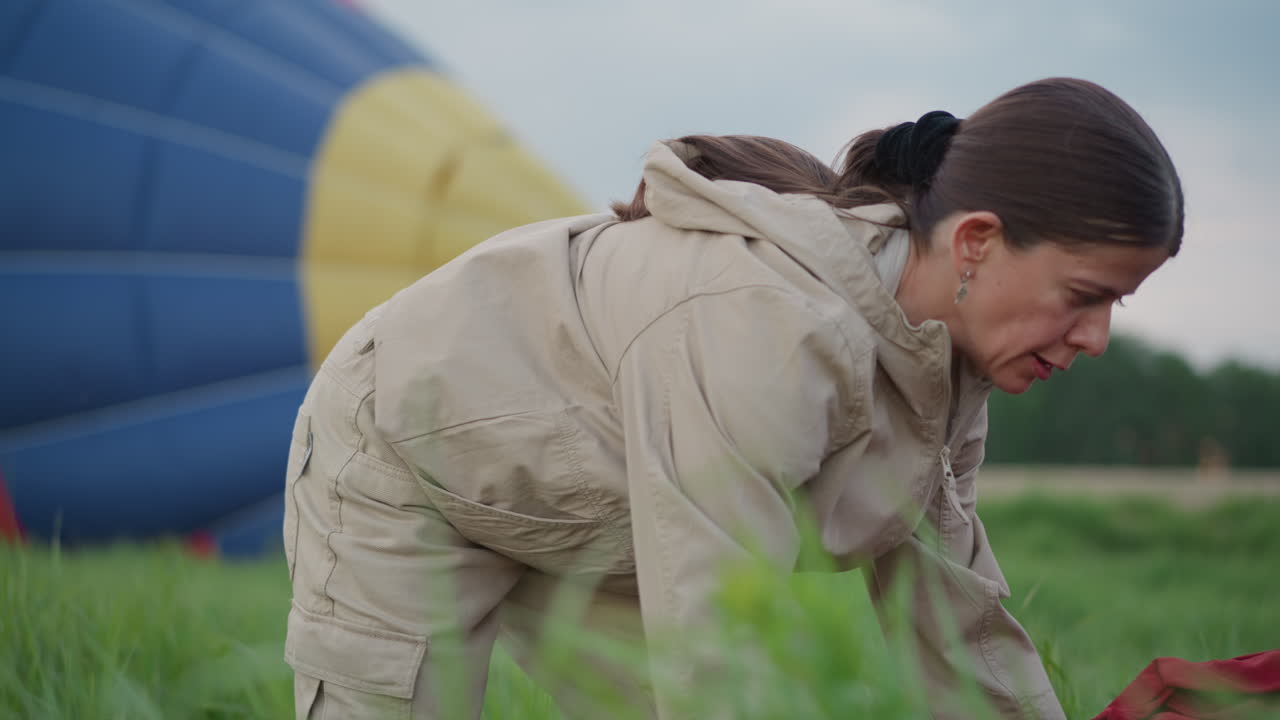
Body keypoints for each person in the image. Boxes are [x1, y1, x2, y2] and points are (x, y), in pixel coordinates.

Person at [281, 77, 1182, 720]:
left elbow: (955, 620)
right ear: (978, 241)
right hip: (408, 459)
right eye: (1084, 295)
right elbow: (718, 630)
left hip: (604, 513)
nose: (1097, 338)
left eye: (1118, 305)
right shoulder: (770, 325)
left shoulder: (945, 371)